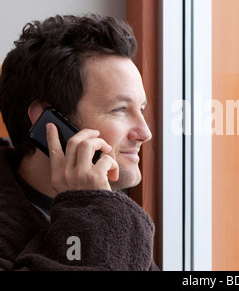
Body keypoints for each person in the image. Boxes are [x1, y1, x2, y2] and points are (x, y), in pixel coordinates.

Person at [0, 14, 159, 271]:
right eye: (120, 109)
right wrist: (92, 207)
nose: (145, 132)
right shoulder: (104, 212)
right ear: (49, 124)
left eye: (141, 108)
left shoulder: (111, 213)